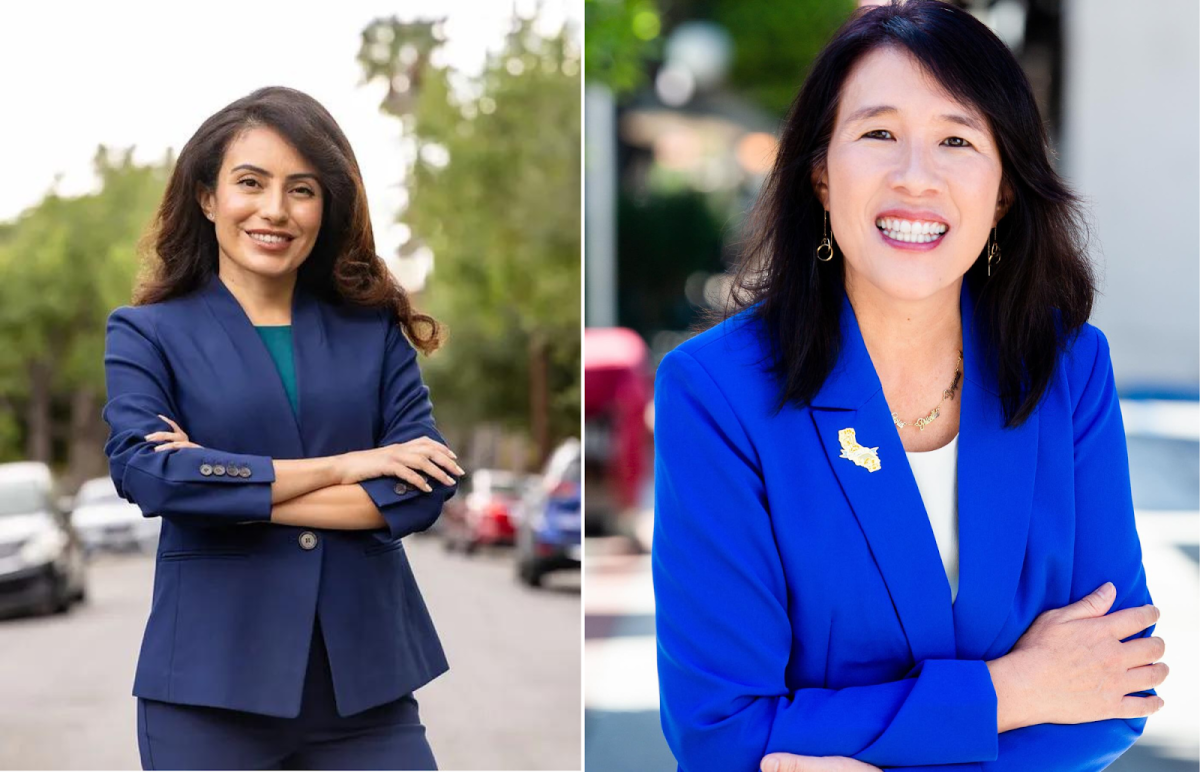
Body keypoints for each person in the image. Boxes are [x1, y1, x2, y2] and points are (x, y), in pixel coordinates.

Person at [651, 3, 1168, 771]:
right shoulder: (716, 394)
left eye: (957, 140)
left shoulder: (1068, 370)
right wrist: (1014, 691)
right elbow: (724, 735)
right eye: (879, 134)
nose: (915, 178)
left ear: (1002, 191)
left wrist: (851, 740)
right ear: (821, 173)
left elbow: (1113, 690)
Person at [102, 86, 464, 770]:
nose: (274, 209)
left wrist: (220, 483)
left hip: (366, 695)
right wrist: (346, 466)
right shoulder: (147, 333)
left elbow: (421, 488)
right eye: (250, 183)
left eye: (301, 189)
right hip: (208, 694)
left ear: (325, 208)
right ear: (208, 198)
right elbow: (149, 475)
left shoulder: (372, 330)